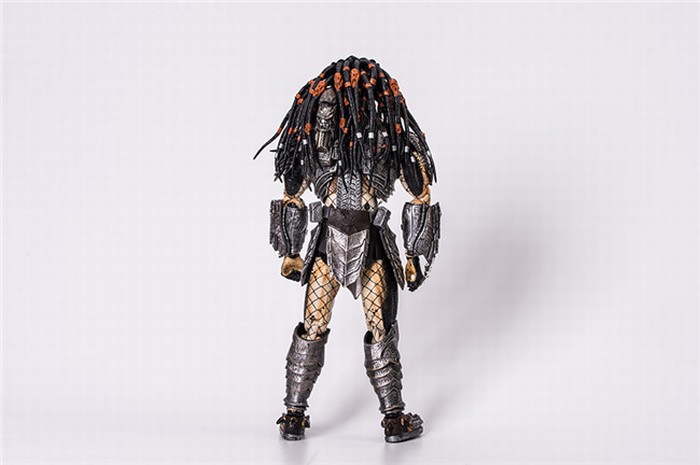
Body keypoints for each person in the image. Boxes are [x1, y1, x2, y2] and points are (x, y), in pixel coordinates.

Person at [255, 56, 441, 443]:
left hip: (364, 243)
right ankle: (297, 414)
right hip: (332, 242)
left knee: (366, 325)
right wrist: (290, 250)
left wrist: (414, 253)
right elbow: (292, 193)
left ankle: (383, 417)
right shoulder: (322, 141)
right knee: (326, 324)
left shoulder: (387, 141)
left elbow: (419, 194)